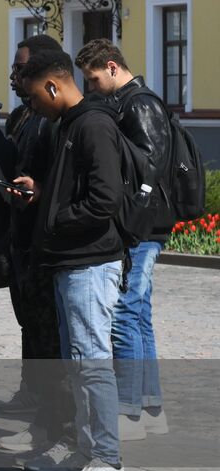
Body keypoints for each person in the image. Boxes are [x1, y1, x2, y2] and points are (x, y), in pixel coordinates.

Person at [12, 48, 127, 471]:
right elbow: (77, 189)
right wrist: (43, 193)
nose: (34, 107)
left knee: (91, 363)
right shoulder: (70, 125)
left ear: (54, 85)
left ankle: (107, 460)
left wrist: (55, 218)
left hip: (89, 262)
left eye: (35, 97)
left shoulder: (93, 124)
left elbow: (105, 199)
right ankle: (85, 452)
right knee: (77, 364)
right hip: (70, 261)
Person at [73, 39, 170, 442]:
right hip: (146, 223)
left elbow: (149, 167)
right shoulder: (130, 102)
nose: (91, 87)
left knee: (126, 312)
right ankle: (149, 407)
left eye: (94, 79)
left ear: (112, 67)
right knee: (139, 313)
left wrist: (126, 219)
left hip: (141, 225)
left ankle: (129, 411)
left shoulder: (138, 104)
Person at [0, 33, 73, 460]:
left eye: (23, 68)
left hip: (47, 246)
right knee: (34, 335)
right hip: (24, 241)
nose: (16, 74)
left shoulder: (59, 120)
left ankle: (53, 427)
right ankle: (43, 418)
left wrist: (38, 193)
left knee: (52, 345)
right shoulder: (25, 116)